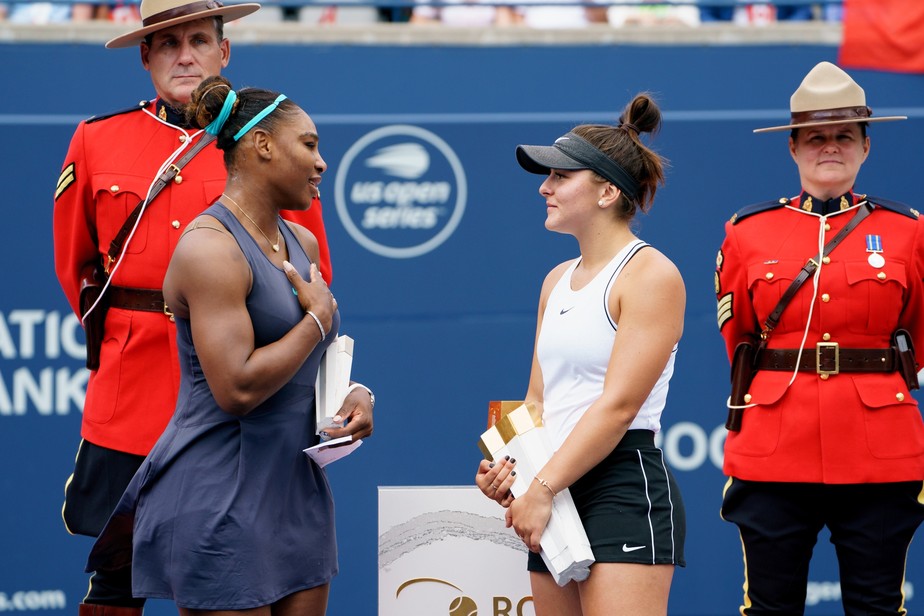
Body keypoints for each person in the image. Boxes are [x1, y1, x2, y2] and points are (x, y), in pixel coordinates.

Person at [52, 0, 334, 612]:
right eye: (169, 43)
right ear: (146, 57)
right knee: (117, 574)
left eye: (200, 40)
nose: (186, 55)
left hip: (241, 397)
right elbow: (76, 267)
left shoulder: (264, 145)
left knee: (249, 565)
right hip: (133, 389)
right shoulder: (98, 138)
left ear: (223, 53)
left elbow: (309, 283)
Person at [85, 75, 375, 615]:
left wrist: (355, 393)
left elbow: (313, 355)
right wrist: (315, 319)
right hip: (218, 495)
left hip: (297, 491)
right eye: (309, 145)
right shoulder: (208, 250)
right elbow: (237, 388)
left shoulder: (303, 240)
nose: (321, 163)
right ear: (263, 146)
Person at [714, 61, 924, 615]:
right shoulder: (747, 232)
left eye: (843, 136)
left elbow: (919, 336)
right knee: (770, 608)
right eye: (815, 137)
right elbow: (739, 339)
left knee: (877, 606)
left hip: (878, 446)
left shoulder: (909, 232)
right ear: (792, 147)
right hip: (775, 446)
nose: (829, 147)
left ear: (865, 147)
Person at [475, 93, 687, 615]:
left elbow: (616, 408)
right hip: (552, 487)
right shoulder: (555, 281)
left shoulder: (651, 274)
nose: (544, 188)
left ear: (608, 191)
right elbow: (536, 403)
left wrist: (542, 487)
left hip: (620, 485)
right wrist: (505, 467)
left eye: (560, 177)